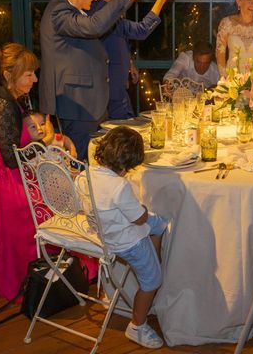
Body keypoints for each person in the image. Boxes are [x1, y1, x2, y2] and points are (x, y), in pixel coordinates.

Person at [38, 0, 145, 159]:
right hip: (77, 104)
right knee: (80, 165)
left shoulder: (76, 12)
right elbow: (95, 27)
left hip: (88, 104)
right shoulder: (58, 11)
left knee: (93, 162)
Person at [89, 126, 167, 349]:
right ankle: (137, 326)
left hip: (107, 230)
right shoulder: (119, 186)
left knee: (159, 224)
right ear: (125, 165)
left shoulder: (88, 174)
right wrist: (142, 209)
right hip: (127, 241)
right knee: (153, 280)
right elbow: (140, 219)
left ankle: (153, 266)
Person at [0, 43, 42, 300]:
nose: (34, 79)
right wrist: (40, 146)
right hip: (3, 182)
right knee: (49, 206)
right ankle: (36, 279)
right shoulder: (3, 105)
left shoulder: (6, 98)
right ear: (8, 75)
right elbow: (12, 159)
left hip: (1, 174)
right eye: (29, 74)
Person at [92, 0, 179, 120]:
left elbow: (120, 39)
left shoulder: (108, 13)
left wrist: (129, 61)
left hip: (117, 93)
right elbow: (141, 31)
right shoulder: (100, 14)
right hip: (108, 96)